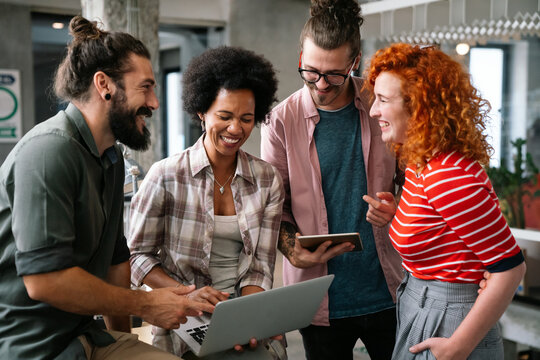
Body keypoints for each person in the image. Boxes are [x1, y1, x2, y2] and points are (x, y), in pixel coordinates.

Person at [0, 15, 214, 360]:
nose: (155, 103)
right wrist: (146, 304)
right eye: (145, 87)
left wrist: (122, 342)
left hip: (87, 338)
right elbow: (45, 281)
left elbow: (116, 263)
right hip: (33, 349)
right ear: (104, 85)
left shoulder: (110, 158)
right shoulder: (47, 152)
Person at [260, 0, 404, 359]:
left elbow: (414, 178)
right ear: (301, 57)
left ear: (355, 62)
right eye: (310, 71)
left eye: (334, 75)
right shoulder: (280, 121)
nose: (321, 85)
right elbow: (274, 207)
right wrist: (293, 250)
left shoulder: (379, 105)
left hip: (391, 289)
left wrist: (399, 207)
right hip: (318, 299)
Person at [364, 43, 526, 359]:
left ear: (419, 107)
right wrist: (400, 214)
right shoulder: (420, 161)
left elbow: (509, 269)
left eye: (383, 100)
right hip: (421, 304)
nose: (373, 110)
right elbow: (449, 234)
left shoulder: (448, 174)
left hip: (449, 320)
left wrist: (458, 347)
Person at [128, 46, 285, 359]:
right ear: (201, 111)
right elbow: (136, 256)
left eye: (246, 118)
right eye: (224, 116)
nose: (235, 129)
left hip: (242, 311)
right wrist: (188, 297)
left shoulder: (267, 180)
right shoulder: (166, 176)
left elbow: (259, 269)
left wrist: (247, 317)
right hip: (182, 318)